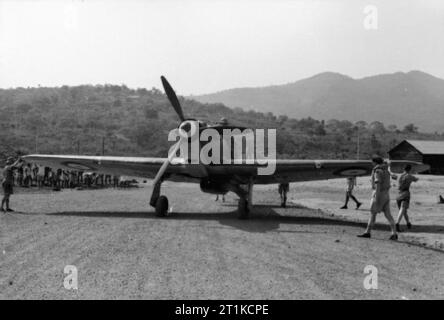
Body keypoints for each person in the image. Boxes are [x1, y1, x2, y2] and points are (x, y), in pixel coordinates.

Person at [358, 156, 398, 240]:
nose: (371, 164)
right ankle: (394, 233)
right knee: (388, 215)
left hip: (379, 194)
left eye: (372, 162)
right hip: (386, 194)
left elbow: (378, 185)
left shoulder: (378, 171)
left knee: (372, 214)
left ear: (375, 162)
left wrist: (377, 197)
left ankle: (367, 232)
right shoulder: (386, 170)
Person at [394, 164, 418, 232]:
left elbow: (394, 177)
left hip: (398, 194)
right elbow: (416, 179)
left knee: (403, 211)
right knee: (403, 209)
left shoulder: (399, 176)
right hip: (405, 194)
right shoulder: (409, 176)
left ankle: (408, 223)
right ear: (410, 169)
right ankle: (397, 223)